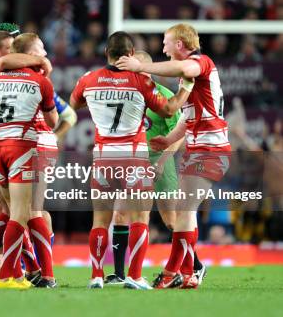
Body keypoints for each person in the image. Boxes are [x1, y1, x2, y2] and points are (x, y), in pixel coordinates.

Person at [70, 32, 193, 290]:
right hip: (134, 157)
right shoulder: (139, 80)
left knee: (100, 220)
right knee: (141, 218)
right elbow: (169, 110)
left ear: (106, 53)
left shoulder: (88, 79)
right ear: (130, 54)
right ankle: (134, 276)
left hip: (103, 157)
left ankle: (96, 276)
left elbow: (75, 103)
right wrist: (186, 89)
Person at [116, 23, 230, 289]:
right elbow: (188, 118)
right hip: (199, 146)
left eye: (166, 42)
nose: (163, 47)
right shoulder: (187, 78)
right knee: (182, 213)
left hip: (210, 147)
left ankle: (174, 272)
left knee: (183, 212)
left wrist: (141, 66)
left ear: (180, 44)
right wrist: (168, 139)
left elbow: (184, 67)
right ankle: (189, 272)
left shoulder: (199, 62)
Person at [105, 51, 205, 285]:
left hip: (161, 163)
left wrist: (162, 161)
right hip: (133, 162)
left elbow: (179, 134)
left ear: (146, 69)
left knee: (171, 220)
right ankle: (119, 273)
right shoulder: (126, 93)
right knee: (120, 213)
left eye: (134, 68)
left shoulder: (164, 95)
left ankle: (197, 266)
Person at [0, 33, 58, 289]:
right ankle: (8, 275)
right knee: (23, 213)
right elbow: (53, 122)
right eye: (40, 49)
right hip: (21, 145)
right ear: (29, 54)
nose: (44, 54)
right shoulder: (40, 81)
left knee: (11, 211)